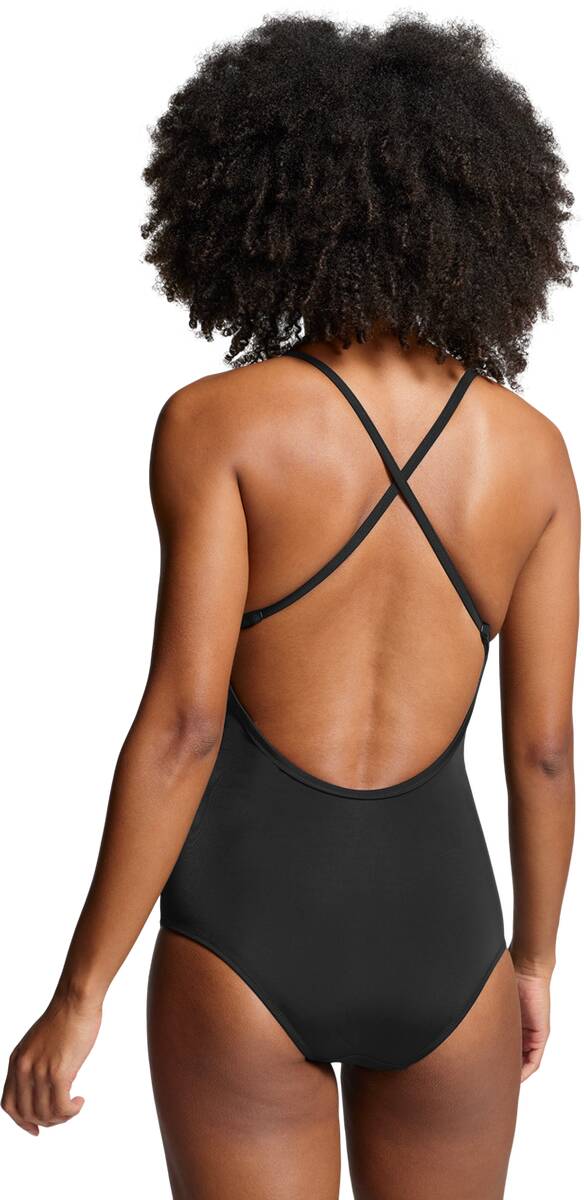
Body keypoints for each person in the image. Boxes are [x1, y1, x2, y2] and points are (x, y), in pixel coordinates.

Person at [2, 14, 578, 1199]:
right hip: (447, 943)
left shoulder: (217, 425)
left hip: (243, 936)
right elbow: (542, 750)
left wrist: (79, 994)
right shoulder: (531, 456)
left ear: (264, 206)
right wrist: (531, 959)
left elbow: (182, 727)